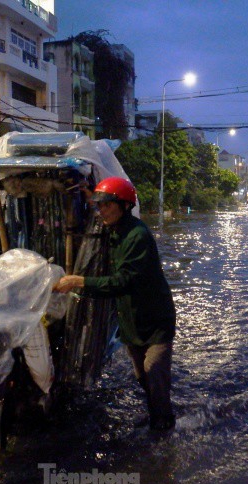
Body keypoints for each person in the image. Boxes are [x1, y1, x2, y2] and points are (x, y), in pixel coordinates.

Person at [54, 176, 177, 431]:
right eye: (100, 206)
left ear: (124, 205)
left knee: (153, 370)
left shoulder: (137, 236)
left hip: (155, 320)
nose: (102, 211)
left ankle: (164, 429)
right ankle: (157, 413)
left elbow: (122, 282)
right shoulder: (112, 231)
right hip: (131, 321)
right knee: (142, 376)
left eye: (108, 205)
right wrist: (89, 197)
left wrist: (79, 281)